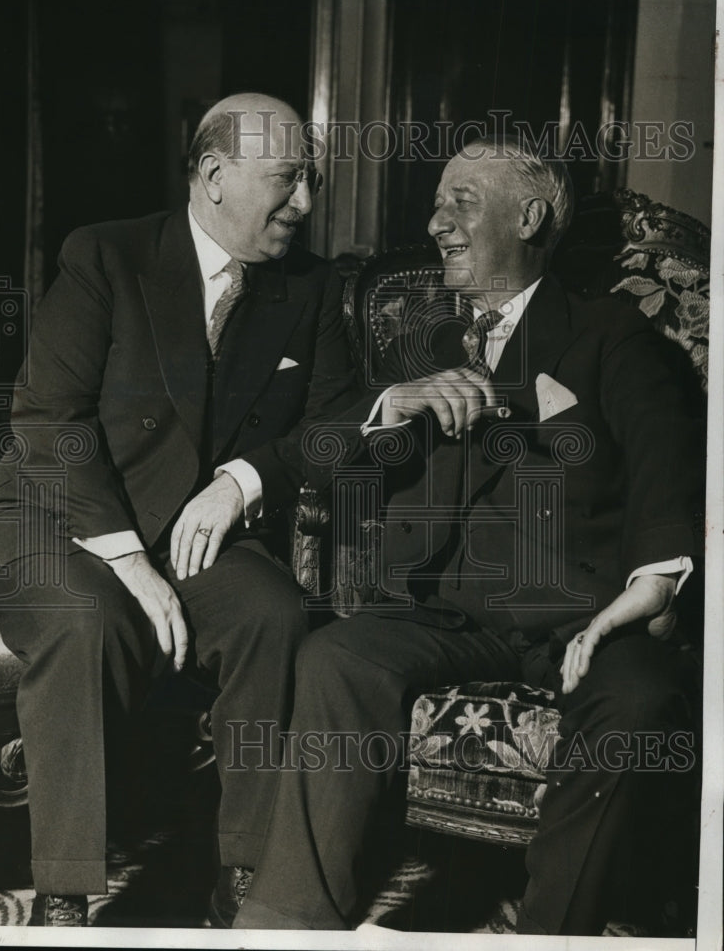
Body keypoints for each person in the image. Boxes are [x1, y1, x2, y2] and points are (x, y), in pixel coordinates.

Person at [233, 137, 705, 934]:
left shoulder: (608, 333)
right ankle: (287, 920)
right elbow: (323, 452)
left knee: (641, 697)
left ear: (529, 216)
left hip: (572, 614)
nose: (437, 222)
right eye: (436, 204)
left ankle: (552, 931)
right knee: (335, 657)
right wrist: (391, 406)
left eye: (461, 202)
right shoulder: (412, 338)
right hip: (437, 606)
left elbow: (670, 460)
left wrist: (650, 585)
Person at [0, 93, 356, 927]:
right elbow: (50, 424)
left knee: (273, 612)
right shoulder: (106, 258)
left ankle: (245, 873)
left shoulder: (311, 288)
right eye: (287, 180)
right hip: (55, 515)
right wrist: (128, 558)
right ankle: (67, 891)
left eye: (311, 180)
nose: (305, 203)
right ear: (215, 177)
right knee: (86, 619)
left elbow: (331, 429)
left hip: (193, 528)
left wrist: (244, 479)